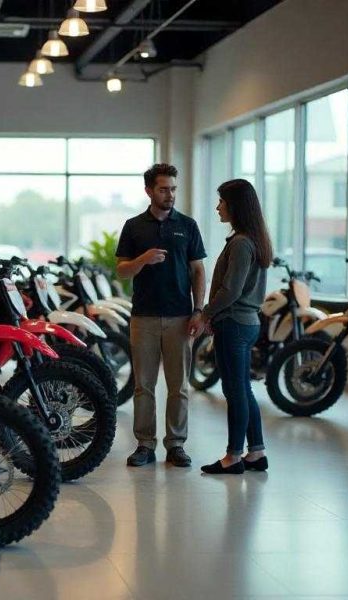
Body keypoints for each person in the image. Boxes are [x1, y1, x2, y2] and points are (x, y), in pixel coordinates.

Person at [116, 163, 207, 468]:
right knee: (143, 385)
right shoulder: (133, 226)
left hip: (181, 317)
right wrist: (142, 259)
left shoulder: (188, 225)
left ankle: (176, 444)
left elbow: (198, 270)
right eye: (164, 189)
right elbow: (122, 270)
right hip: (144, 317)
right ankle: (144, 444)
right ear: (149, 191)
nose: (170, 195)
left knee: (179, 386)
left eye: (173, 189)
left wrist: (198, 310)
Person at [198, 179, 272, 475]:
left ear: (235, 206)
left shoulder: (241, 243)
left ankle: (233, 456)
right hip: (247, 322)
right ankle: (257, 452)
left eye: (222, 202)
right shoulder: (253, 239)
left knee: (235, 392)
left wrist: (205, 314)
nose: (218, 207)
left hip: (235, 323)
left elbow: (231, 291)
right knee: (243, 389)